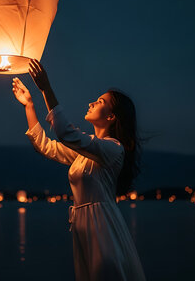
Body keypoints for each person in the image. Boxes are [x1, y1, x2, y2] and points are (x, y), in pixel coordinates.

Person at [12, 58, 146, 281]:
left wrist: (46, 88)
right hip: (83, 227)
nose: (92, 103)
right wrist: (29, 105)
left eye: (100, 101)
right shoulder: (87, 152)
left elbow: (66, 132)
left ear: (111, 116)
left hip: (101, 227)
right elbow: (46, 146)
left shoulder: (113, 149)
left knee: (105, 272)